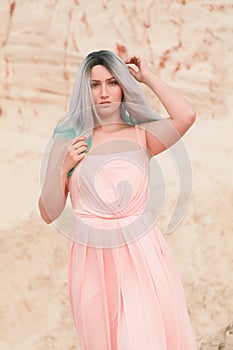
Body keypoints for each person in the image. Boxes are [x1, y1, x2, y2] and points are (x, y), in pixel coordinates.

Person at [38, 50, 197, 349]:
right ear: (84, 90)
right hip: (91, 259)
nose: (104, 92)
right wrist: (62, 171)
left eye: (112, 82)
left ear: (124, 86)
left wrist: (147, 77)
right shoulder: (69, 140)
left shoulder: (142, 136)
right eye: (95, 85)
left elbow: (186, 115)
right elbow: (48, 213)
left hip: (142, 253)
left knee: (143, 336)